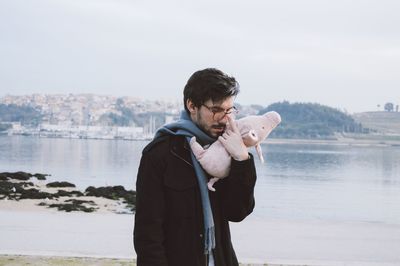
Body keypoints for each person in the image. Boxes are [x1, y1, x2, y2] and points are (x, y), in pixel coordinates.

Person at [133, 68, 257, 266]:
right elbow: (148, 233)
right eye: (215, 110)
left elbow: (237, 212)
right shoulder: (160, 153)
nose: (224, 118)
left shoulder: (227, 150)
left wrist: (242, 159)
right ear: (192, 105)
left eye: (229, 110)